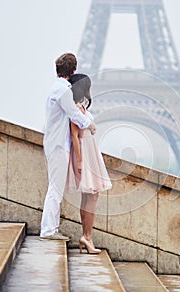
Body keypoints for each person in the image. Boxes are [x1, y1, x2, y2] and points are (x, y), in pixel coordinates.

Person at [40, 53, 96, 241]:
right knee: (55, 188)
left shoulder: (57, 88)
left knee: (55, 188)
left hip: (55, 142)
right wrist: (90, 124)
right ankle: (48, 230)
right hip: (58, 145)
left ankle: (51, 228)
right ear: (73, 70)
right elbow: (74, 115)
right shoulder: (64, 91)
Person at [67, 73, 112, 254]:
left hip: (90, 154)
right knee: (92, 196)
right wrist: (79, 161)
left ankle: (86, 237)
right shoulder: (75, 109)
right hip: (86, 156)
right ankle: (87, 237)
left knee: (88, 197)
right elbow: (75, 136)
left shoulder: (77, 107)